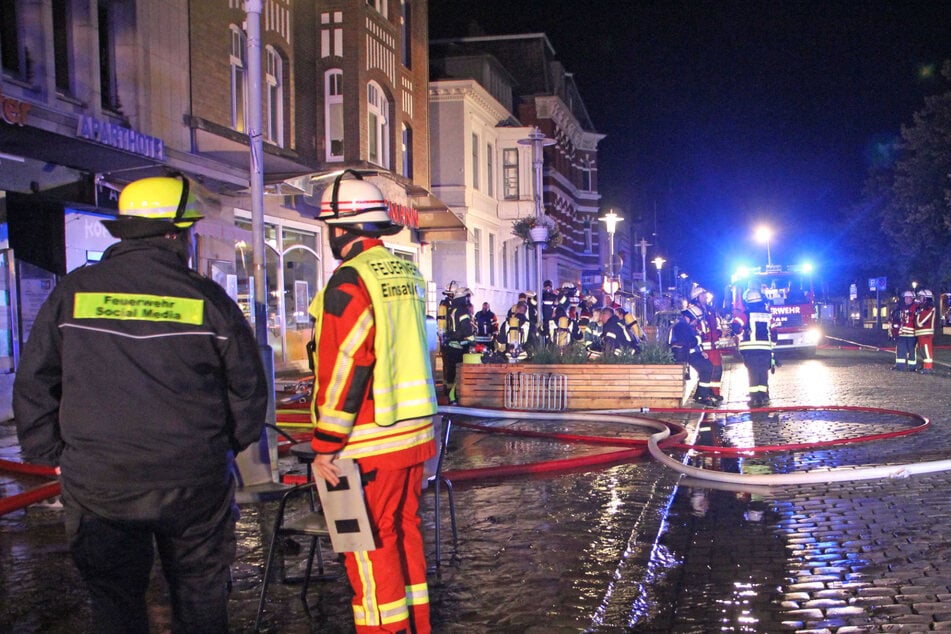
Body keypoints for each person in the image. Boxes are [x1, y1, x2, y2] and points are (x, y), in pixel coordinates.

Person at [13, 174, 269, 633]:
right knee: (200, 595)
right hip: (192, 481)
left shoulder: (74, 293)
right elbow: (249, 389)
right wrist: (218, 448)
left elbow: (34, 381)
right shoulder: (207, 299)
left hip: (99, 483)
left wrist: (52, 456)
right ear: (174, 234)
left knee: (114, 601)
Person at [308, 171, 438, 634]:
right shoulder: (405, 270)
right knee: (403, 532)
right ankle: (415, 626)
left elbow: (346, 367)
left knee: (366, 544)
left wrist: (325, 444)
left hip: (368, 443)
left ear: (339, 229)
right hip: (413, 435)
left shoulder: (349, 281)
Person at [731, 289, 775, 407]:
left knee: (753, 373)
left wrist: (743, 332)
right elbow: (774, 332)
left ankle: (754, 398)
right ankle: (764, 396)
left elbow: (735, 326)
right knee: (763, 373)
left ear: (748, 302)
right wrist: (772, 346)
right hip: (765, 350)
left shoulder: (745, 315)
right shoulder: (768, 314)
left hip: (750, 350)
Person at [669, 305, 717, 406]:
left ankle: (702, 392)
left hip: (690, 353)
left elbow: (693, 342)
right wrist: (699, 339)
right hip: (685, 354)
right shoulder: (681, 327)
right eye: (695, 320)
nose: (696, 322)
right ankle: (702, 395)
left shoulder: (686, 326)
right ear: (689, 317)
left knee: (707, 366)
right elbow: (690, 342)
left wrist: (701, 351)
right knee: (706, 367)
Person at [690, 286, 724, 402]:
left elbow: (717, 322)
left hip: (714, 346)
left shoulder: (710, 310)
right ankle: (705, 393)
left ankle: (715, 392)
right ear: (696, 298)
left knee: (718, 370)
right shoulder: (694, 311)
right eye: (703, 295)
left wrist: (719, 330)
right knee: (708, 370)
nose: (705, 296)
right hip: (704, 348)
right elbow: (694, 329)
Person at [889, 290, 918, 371]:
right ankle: (899, 366)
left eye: (909, 298)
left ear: (912, 298)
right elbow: (897, 319)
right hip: (902, 334)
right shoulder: (901, 308)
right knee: (900, 350)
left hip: (912, 334)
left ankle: (912, 367)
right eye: (906, 298)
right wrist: (894, 332)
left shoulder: (916, 308)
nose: (907, 299)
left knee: (911, 351)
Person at [915, 289, 936, 374]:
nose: (919, 299)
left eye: (921, 297)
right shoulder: (923, 308)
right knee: (922, 350)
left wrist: (918, 314)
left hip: (926, 333)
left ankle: (928, 368)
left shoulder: (930, 308)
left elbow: (920, 322)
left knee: (926, 350)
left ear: (926, 298)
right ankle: (925, 366)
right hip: (921, 333)